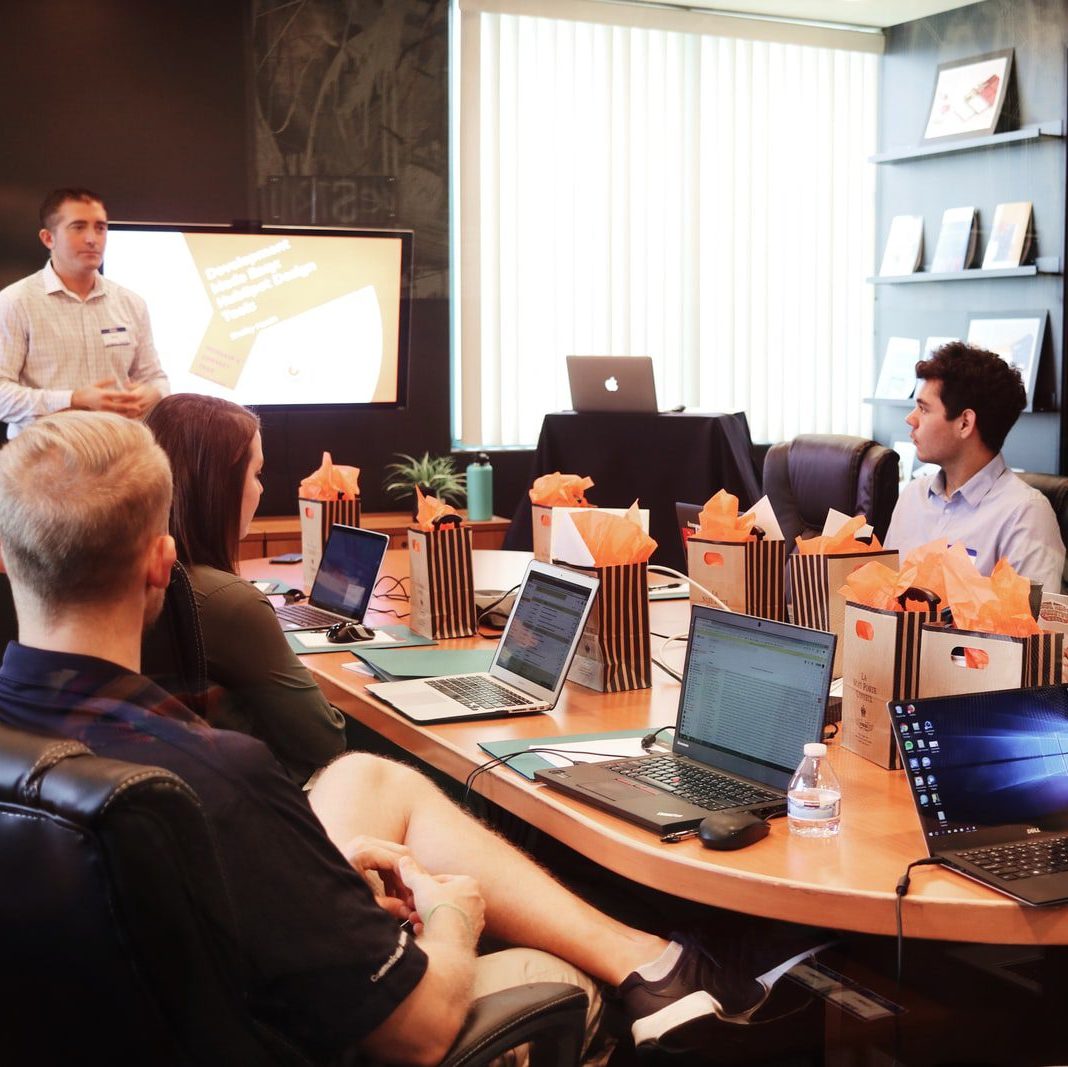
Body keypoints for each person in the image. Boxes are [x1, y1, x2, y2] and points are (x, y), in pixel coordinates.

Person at [0, 411, 822, 1062]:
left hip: (116, 1010)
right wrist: (454, 912)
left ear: (8, 560)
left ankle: (652, 955)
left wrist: (316, 875)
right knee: (548, 974)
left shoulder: (51, 747)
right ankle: (653, 974)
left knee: (370, 776)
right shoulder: (219, 777)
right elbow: (419, 1030)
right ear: (159, 564)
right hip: (300, 1031)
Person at [145, 393, 345, 783]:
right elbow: (325, 742)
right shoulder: (230, 602)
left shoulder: (131, 577)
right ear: (217, 486)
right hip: (264, 801)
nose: (261, 489)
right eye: (256, 474)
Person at [885, 341, 1065, 592]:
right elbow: (881, 601)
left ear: (965, 423)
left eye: (924, 409)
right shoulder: (912, 497)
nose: (910, 418)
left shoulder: (1025, 514)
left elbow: (1032, 627)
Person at [0, 187, 169, 438]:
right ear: (48, 238)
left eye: (100, 227)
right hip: (46, 459)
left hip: (122, 454)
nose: (92, 238)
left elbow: (156, 379)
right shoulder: (15, 302)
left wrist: (152, 394)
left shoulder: (131, 303)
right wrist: (74, 399)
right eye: (78, 227)